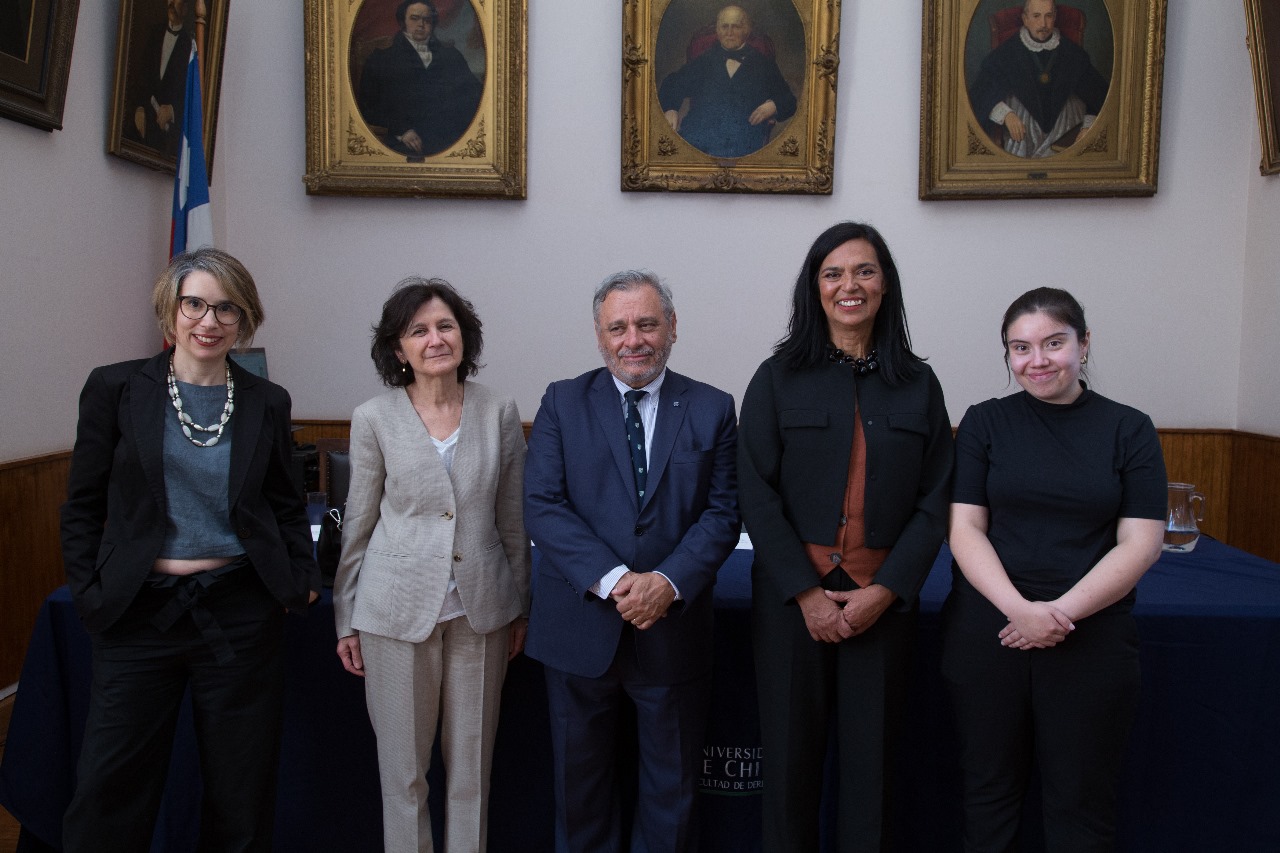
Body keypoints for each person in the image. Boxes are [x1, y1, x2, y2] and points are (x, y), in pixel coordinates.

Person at [59, 248, 321, 853]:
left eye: (226, 307)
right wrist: (91, 590)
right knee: (109, 789)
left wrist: (301, 576)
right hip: (137, 613)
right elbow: (82, 504)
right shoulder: (115, 388)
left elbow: (285, 503)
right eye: (195, 304)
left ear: (244, 318)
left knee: (241, 793)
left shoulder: (266, 400)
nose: (210, 320)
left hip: (238, 609)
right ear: (171, 312)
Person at [737, 222, 953, 853]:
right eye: (833, 273)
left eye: (864, 271)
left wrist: (885, 591)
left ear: (885, 286)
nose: (848, 285)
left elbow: (936, 500)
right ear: (815, 289)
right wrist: (805, 594)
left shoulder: (918, 383)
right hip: (790, 606)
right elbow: (755, 492)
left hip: (879, 606)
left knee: (872, 773)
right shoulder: (776, 378)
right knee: (786, 770)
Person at [942, 287, 1167, 852]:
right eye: (1020, 348)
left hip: (1089, 635)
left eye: (1053, 343)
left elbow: (1141, 543)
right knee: (987, 799)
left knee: (1081, 807)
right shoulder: (984, 422)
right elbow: (964, 529)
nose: (1036, 360)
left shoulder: (1129, 428)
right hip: (990, 631)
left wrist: (1058, 615)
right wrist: (1020, 611)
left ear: (1084, 344)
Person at [523, 270, 740, 853]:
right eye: (617, 327)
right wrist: (619, 581)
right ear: (599, 336)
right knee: (579, 794)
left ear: (671, 328)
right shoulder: (562, 401)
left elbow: (723, 514)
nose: (633, 339)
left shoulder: (713, 407)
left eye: (646, 323)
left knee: (671, 797)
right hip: (578, 631)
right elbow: (542, 505)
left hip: (672, 632)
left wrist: (667, 583)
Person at [333, 278, 530, 853]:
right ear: (399, 350)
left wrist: (519, 606)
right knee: (404, 778)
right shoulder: (373, 417)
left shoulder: (499, 411)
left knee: (471, 776)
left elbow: (511, 521)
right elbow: (359, 524)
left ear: (463, 336)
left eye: (445, 326)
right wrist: (346, 616)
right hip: (393, 617)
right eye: (418, 330)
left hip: (481, 615)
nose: (435, 338)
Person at [968, 0, 1109, 158]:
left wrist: (1088, 128)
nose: (1043, 23)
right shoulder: (1006, 53)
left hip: (1066, 124)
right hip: (1023, 128)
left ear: (1055, 17)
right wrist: (1006, 115)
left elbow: (1098, 95)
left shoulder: (1072, 53)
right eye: (1036, 16)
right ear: (1025, 19)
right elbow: (981, 92)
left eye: (1048, 16)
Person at [658, 5, 797, 159]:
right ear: (717, 30)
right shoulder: (705, 60)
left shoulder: (762, 64)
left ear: (746, 30)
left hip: (744, 141)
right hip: (700, 138)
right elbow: (673, 84)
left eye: (735, 27)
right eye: (724, 27)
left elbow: (789, 100)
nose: (729, 33)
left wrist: (773, 106)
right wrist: (671, 108)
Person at [357, 0, 484, 157]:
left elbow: (473, 96)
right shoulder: (381, 59)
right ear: (403, 22)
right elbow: (368, 106)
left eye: (427, 19)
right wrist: (401, 131)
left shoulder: (451, 56)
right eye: (414, 18)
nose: (421, 24)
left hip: (450, 139)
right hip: (404, 141)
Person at [124, 0, 194, 158]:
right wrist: (140, 107)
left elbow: (194, 100)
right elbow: (141, 78)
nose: (172, 4)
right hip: (143, 128)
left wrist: (172, 111)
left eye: (178, 1)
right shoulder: (154, 33)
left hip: (168, 139)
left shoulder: (190, 47)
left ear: (186, 8)